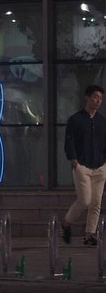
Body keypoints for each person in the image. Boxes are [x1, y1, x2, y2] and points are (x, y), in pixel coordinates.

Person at [62, 84, 106, 246]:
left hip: (100, 166)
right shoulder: (75, 119)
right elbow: (69, 141)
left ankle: (89, 235)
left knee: (96, 203)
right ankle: (66, 223)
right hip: (82, 165)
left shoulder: (102, 121)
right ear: (87, 97)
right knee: (85, 200)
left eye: (100, 98)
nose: (98, 101)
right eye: (95, 97)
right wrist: (74, 160)